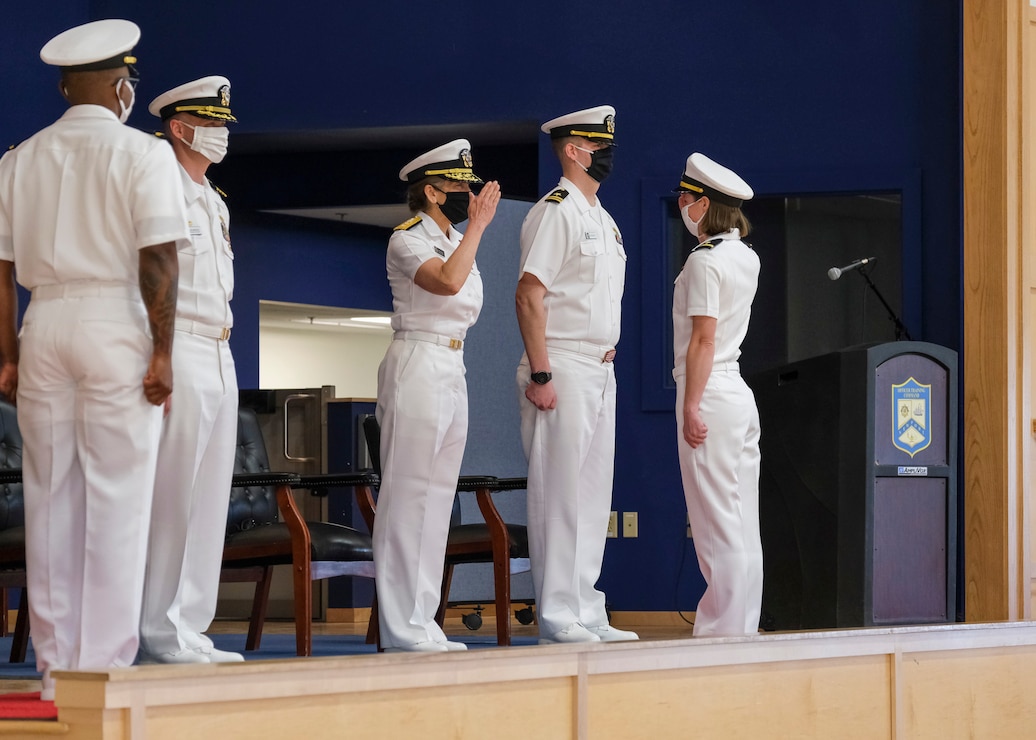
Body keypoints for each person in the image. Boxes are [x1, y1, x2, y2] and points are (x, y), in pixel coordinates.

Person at [0, 20, 187, 699]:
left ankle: (54, 673)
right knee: (117, 497)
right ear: (118, 86)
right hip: (113, 320)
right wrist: (163, 351)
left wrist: (8, 357)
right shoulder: (144, 154)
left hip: (42, 320)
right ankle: (104, 671)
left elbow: (0, 269)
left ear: (62, 87)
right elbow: (159, 256)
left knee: (51, 499)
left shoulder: (18, 159)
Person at [515, 105, 638, 644]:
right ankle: (558, 614)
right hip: (560, 361)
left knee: (592, 497)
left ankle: (588, 608)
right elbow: (530, 293)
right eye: (598, 144)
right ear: (573, 149)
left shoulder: (602, 218)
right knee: (559, 495)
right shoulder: (556, 211)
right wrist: (542, 372)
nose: (607, 154)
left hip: (600, 366)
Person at [373, 140, 501, 652]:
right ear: (431, 191)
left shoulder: (455, 239)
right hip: (417, 361)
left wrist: (470, 232)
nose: (468, 194)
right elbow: (447, 284)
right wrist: (478, 227)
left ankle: (422, 618)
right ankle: (399, 623)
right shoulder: (407, 239)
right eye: (457, 185)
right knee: (408, 497)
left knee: (437, 499)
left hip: (452, 363)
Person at [139, 76, 242, 664]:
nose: (223, 133)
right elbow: (148, 282)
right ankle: (158, 628)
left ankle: (191, 625)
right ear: (181, 127)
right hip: (178, 346)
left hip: (220, 349)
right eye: (213, 122)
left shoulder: (215, 199)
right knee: (172, 495)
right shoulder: (162, 189)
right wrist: (155, 358)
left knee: (208, 498)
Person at [672, 152, 762, 636]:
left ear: (704, 204)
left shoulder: (704, 261)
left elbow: (703, 338)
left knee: (714, 519)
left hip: (709, 389)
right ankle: (742, 625)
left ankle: (721, 633)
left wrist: (690, 404)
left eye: (686, 198)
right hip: (737, 390)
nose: (681, 205)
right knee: (742, 516)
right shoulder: (746, 256)